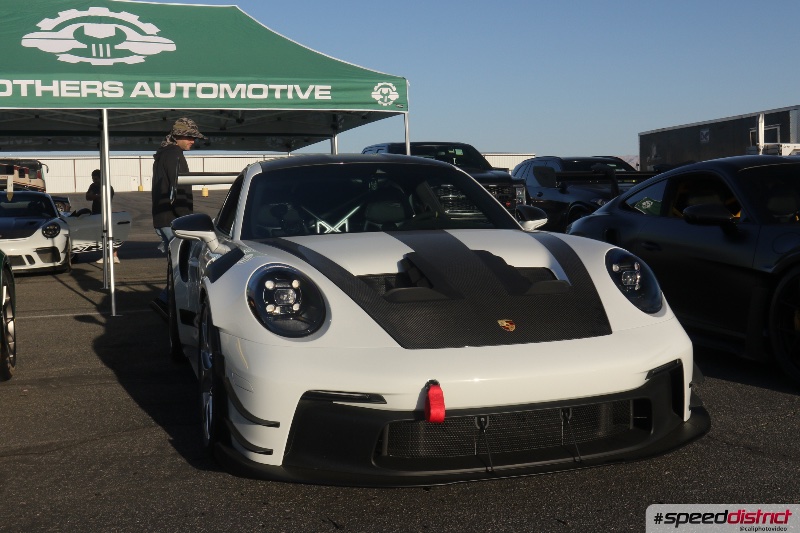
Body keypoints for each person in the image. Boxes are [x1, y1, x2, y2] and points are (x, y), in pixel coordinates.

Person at [150, 117, 206, 315]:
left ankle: (166, 301)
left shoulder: (164, 154)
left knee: (178, 264)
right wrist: (186, 220)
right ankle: (168, 302)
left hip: (163, 217)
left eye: (194, 138)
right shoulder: (174, 155)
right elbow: (178, 188)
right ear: (177, 136)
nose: (193, 141)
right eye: (189, 137)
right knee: (183, 266)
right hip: (173, 219)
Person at [85, 169, 119, 263]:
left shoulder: (107, 187)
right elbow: (87, 197)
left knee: (108, 234)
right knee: (100, 235)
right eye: (93, 179)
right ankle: (107, 255)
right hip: (96, 213)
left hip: (105, 212)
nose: (94, 181)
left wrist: (95, 196)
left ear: (101, 178)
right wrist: (97, 195)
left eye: (96, 179)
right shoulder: (93, 186)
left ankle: (113, 255)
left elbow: (104, 199)